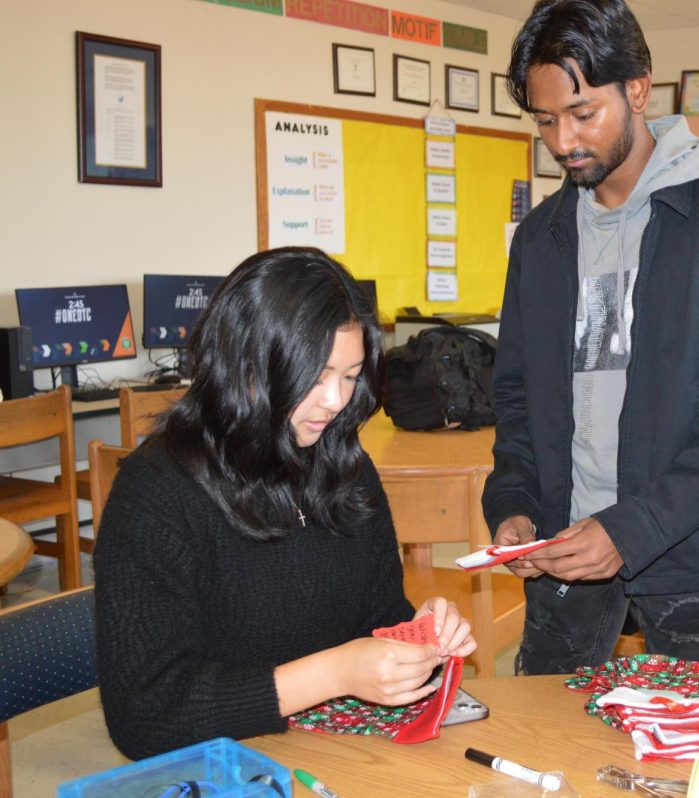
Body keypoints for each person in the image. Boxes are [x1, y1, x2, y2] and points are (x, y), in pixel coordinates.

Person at [482, 0, 699, 676]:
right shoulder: (541, 239)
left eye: (583, 112)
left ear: (638, 89)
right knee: (551, 747)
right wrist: (513, 503)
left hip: (688, 551)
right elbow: (516, 394)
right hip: (561, 543)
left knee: (683, 754)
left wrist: (628, 531)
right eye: (544, 121)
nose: (564, 141)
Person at [95, 248, 476, 759]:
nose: (336, 401)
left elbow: (377, 617)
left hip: (334, 749)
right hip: (225, 762)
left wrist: (417, 639)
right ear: (245, 363)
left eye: (350, 375)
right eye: (315, 376)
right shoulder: (158, 492)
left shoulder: (345, 466)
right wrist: (336, 672)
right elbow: (147, 715)